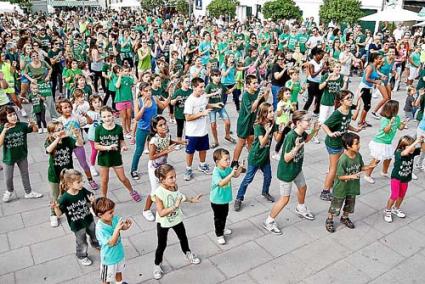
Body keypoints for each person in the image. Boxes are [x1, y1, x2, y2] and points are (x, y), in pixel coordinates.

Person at [263, 110, 320, 235]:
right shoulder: (291, 136)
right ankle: (269, 221)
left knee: (303, 187)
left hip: (297, 169)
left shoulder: (301, 133)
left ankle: (301, 208)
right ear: (298, 123)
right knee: (284, 199)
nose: (310, 122)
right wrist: (296, 148)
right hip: (286, 173)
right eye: (308, 121)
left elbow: (307, 139)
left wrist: (315, 130)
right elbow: (286, 158)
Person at [152, 164, 202, 280]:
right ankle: (157, 265)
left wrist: (191, 200)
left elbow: (179, 196)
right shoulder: (159, 193)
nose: (174, 179)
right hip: (164, 223)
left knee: (183, 237)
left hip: (177, 219)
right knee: (162, 244)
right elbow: (161, 213)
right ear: (162, 179)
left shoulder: (174, 186)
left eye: (175, 176)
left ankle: (188, 253)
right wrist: (174, 206)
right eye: (171, 177)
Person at [325, 133, 377, 233]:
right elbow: (339, 176)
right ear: (348, 146)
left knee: (350, 204)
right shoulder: (343, 159)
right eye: (356, 144)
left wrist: (370, 166)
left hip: (352, 187)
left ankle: (345, 217)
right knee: (336, 205)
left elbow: (361, 167)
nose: (359, 145)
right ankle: (329, 219)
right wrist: (351, 176)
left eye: (359, 143)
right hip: (341, 188)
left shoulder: (358, 155)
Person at [234, 102, 281, 211]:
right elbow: (262, 143)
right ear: (264, 113)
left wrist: (281, 130)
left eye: (272, 111)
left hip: (265, 157)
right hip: (255, 157)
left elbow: (277, 139)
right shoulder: (258, 126)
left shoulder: (272, 123)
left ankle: (265, 192)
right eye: (270, 112)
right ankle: (239, 198)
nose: (272, 113)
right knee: (248, 179)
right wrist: (267, 132)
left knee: (268, 176)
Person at [50, 169, 100, 266]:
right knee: (82, 242)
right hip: (77, 226)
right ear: (69, 184)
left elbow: (89, 203)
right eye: (79, 182)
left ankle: (95, 244)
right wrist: (56, 208)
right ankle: (82, 256)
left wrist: (92, 201)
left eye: (82, 181)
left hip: (89, 220)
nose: (82, 183)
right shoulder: (65, 198)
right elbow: (59, 214)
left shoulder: (82, 191)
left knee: (94, 234)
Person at [320, 90, 362, 201]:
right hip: (333, 144)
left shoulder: (347, 110)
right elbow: (324, 125)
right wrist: (330, 133)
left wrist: (355, 129)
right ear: (341, 101)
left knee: (334, 166)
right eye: (348, 98)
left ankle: (332, 182)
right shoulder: (337, 113)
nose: (350, 100)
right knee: (334, 168)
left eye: (351, 97)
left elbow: (346, 124)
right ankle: (325, 192)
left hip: (340, 142)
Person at [94, 106, 141, 202]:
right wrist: (107, 147)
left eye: (109, 116)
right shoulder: (98, 129)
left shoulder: (118, 128)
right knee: (104, 180)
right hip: (104, 158)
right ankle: (104, 198)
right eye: (104, 117)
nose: (107, 118)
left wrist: (124, 146)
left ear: (113, 115)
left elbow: (121, 140)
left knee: (123, 178)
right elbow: (96, 146)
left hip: (116, 157)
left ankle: (132, 191)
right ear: (101, 118)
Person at [144, 115, 185, 221]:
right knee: (155, 191)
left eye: (164, 123)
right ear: (154, 128)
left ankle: (169, 206)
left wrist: (181, 142)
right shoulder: (153, 140)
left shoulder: (167, 134)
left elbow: (169, 141)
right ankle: (146, 210)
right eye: (160, 125)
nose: (164, 126)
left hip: (163, 166)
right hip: (154, 168)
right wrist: (165, 151)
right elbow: (151, 156)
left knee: (169, 186)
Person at [0, 106, 43, 202]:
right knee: (8, 178)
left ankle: (28, 192)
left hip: (22, 156)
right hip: (8, 158)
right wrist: (4, 131)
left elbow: (35, 130)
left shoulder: (22, 125)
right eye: (10, 115)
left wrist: (33, 124)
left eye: (14, 114)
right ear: (4, 117)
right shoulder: (2, 128)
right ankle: (9, 191)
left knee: (25, 174)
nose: (13, 117)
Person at [183, 77, 222, 181]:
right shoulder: (189, 101)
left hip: (203, 130)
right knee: (190, 151)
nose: (203, 89)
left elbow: (205, 105)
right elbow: (187, 117)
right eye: (201, 87)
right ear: (194, 88)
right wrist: (202, 113)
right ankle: (188, 169)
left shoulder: (203, 96)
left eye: (203, 86)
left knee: (203, 149)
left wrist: (214, 105)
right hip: (192, 133)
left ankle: (202, 164)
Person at [45, 120, 83, 227]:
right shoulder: (50, 140)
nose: (61, 131)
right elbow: (48, 150)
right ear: (52, 133)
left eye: (62, 128)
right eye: (58, 130)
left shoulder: (68, 140)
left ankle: (72, 211)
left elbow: (79, 144)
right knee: (55, 195)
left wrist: (77, 135)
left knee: (70, 192)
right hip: (54, 174)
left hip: (68, 174)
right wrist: (57, 139)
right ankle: (53, 214)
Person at [56, 98, 98, 190]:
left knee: (84, 164)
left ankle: (91, 180)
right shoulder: (59, 121)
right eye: (65, 108)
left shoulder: (76, 117)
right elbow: (56, 134)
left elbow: (90, 122)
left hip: (78, 144)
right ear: (60, 110)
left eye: (69, 107)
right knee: (66, 166)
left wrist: (86, 115)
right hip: (66, 146)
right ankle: (68, 184)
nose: (68, 109)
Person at [364, 100, 406, 184]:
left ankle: (384, 172)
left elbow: (400, 128)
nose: (398, 110)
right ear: (392, 109)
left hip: (388, 142)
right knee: (376, 159)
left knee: (389, 158)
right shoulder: (384, 119)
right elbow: (386, 130)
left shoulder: (397, 117)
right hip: (380, 141)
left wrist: (403, 124)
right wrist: (391, 122)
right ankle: (367, 175)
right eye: (397, 108)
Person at [232, 75, 269, 169]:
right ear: (248, 85)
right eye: (254, 83)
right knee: (241, 142)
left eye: (257, 82)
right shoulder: (245, 95)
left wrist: (267, 92)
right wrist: (258, 98)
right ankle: (234, 162)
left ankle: (253, 160)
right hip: (244, 123)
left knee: (251, 141)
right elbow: (251, 109)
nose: (256, 85)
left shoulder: (257, 92)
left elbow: (264, 102)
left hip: (253, 122)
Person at [93, 197, 132, 284]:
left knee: (119, 271)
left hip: (119, 254)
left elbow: (122, 227)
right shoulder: (100, 228)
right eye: (110, 212)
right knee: (106, 279)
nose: (113, 214)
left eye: (113, 211)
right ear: (100, 215)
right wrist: (117, 229)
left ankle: (119, 283)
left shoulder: (113, 218)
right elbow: (111, 243)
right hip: (109, 259)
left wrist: (126, 226)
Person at [384, 135, 423, 223]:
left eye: (413, 145)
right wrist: (416, 142)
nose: (413, 147)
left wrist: (422, 141)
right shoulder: (398, 152)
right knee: (394, 195)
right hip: (396, 178)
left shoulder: (412, 152)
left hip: (405, 178)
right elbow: (405, 153)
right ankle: (388, 210)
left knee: (401, 195)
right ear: (403, 146)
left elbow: (422, 149)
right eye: (411, 145)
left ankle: (396, 208)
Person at [211, 148, 243, 244]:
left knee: (224, 215)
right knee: (218, 218)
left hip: (225, 199)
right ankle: (219, 234)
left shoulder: (227, 169)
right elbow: (221, 183)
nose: (229, 161)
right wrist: (231, 174)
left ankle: (223, 228)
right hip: (217, 200)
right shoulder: (216, 172)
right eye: (226, 159)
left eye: (229, 159)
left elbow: (236, 175)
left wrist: (240, 167)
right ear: (217, 161)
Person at [205, 69, 235, 148]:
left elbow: (227, 92)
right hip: (212, 108)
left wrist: (235, 86)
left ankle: (227, 135)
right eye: (216, 76)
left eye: (219, 75)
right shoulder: (209, 86)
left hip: (221, 107)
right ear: (212, 77)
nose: (218, 77)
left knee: (228, 122)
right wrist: (214, 93)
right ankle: (216, 141)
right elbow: (204, 95)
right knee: (213, 125)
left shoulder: (221, 85)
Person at [272, 87, 294, 160]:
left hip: (287, 123)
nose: (289, 95)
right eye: (287, 94)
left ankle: (288, 150)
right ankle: (276, 153)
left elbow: (292, 110)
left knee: (290, 135)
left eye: (289, 93)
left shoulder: (288, 101)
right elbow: (278, 114)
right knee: (280, 140)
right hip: (280, 124)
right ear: (282, 95)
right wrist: (281, 108)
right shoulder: (280, 103)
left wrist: (293, 107)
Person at [86, 95, 103, 177]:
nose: (98, 104)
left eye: (99, 101)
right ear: (91, 104)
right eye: (95, 102)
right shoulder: (90, 113)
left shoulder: (103, 110)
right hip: (93, 136)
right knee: (94, 151)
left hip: (102, 135)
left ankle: (104, 164)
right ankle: (92, 166)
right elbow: (88, 122)